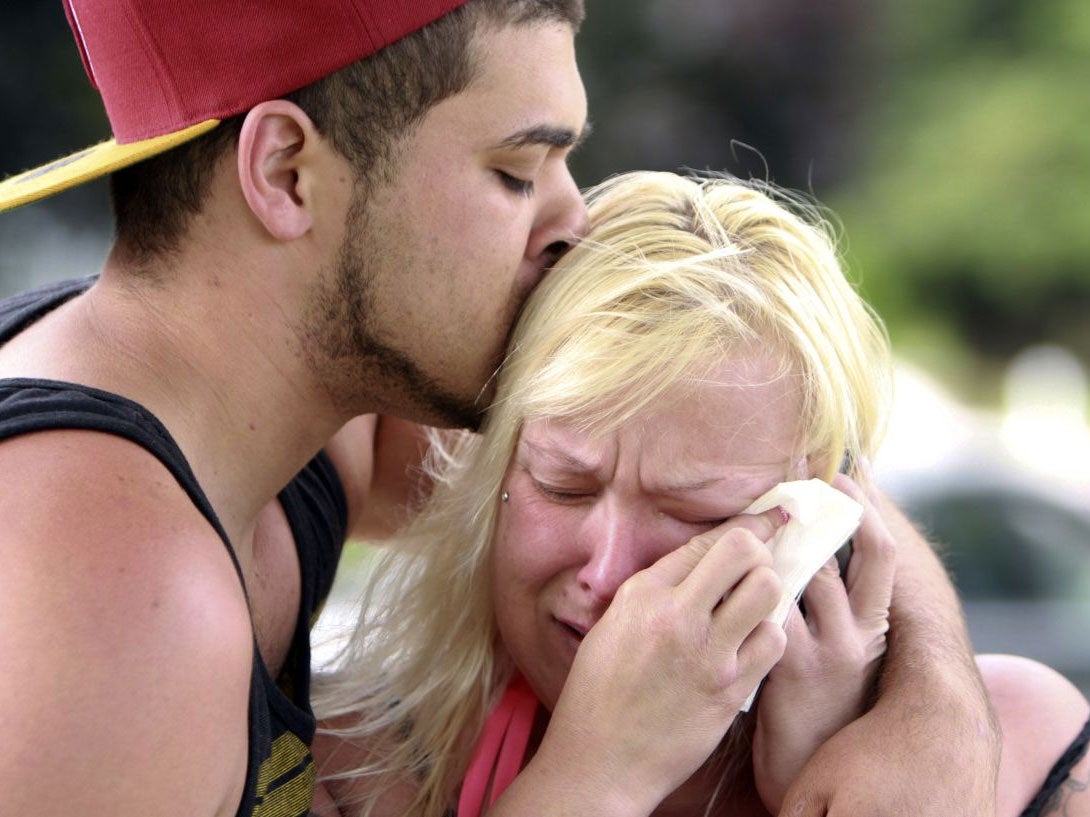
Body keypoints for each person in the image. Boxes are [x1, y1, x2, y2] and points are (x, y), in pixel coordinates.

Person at [0, 3, 1017, 817]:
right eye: (515, 170)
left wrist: (930, 710)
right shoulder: (107, 592)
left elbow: (761, 459)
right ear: (286, 172)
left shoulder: (276, 427)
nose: (573, 219)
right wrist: (597, 774)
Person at [308, 172, 1090, 817]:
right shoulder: (365, 767)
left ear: (809, 517)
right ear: (495, 467)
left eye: (696, 514)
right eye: (563, 483)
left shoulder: (1020, 748)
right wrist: (598, 774)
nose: (607, 574)